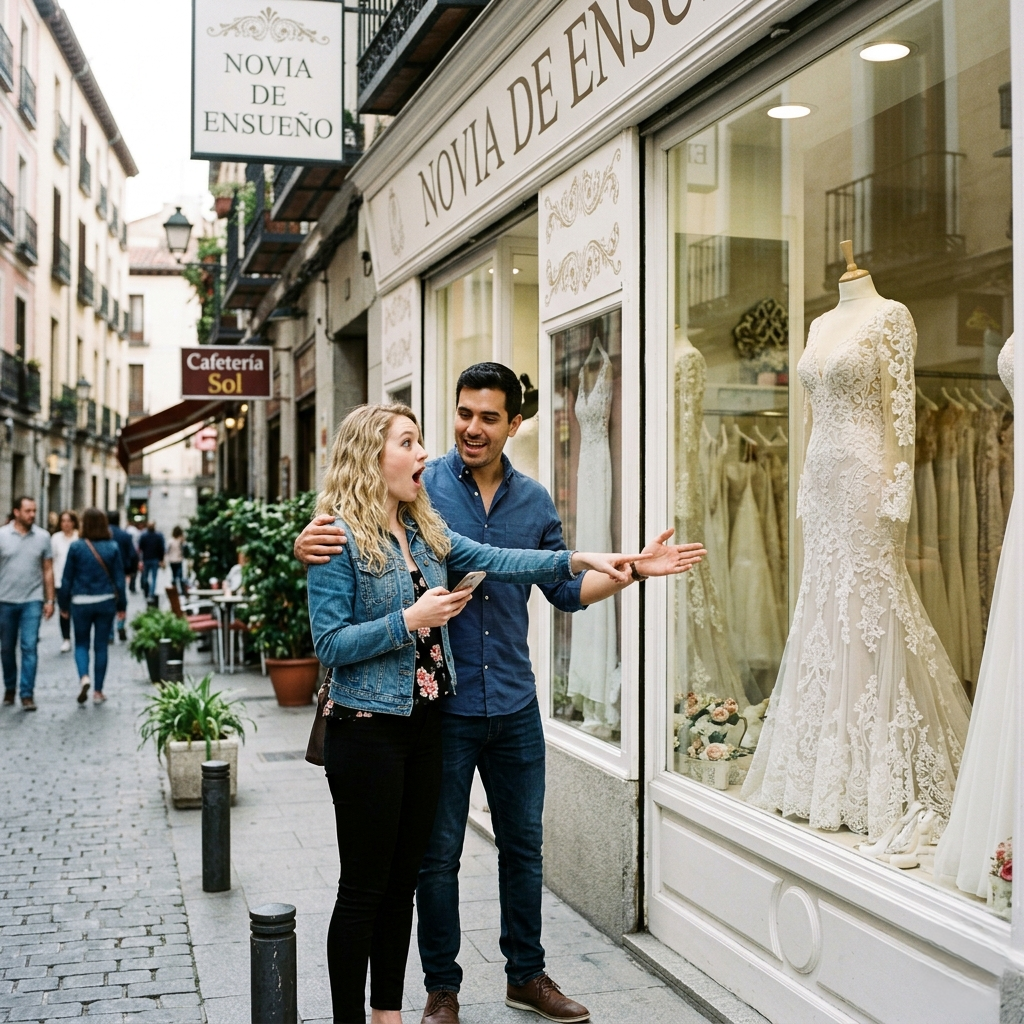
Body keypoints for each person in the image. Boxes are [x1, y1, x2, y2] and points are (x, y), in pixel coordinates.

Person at [297, 366, 706, 1024]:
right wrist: (408, 617)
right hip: (379, 726)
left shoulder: (435, 523)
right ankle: (426, 995)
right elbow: (331, 641)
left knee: (439, 871)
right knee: (386, 880)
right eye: (413, 441)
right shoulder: (351, 529)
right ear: (372, 455)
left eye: (486, 417)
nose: (434, 447)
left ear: (514, 423)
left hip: (454, 714)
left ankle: (421, 1005)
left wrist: (610, 562)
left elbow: (517, 562)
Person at [57, 508, 127, 704]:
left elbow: (67, 579)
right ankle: (98, 691)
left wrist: (63, 604)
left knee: (81, 643)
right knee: (101, 646)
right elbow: (120, 581)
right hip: (105, 601)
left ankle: (84, 677)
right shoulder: (112, 547)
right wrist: (122, 605)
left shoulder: (76, 547)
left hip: (81, 602)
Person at [0, 497, 55, 711]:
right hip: (5, 600)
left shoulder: (43, 537)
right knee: (6, 648)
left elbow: (48, 569)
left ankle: (26, 693)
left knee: (29, 646)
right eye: (27, 511)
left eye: (34, 511)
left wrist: (50, 599)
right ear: (16, 512)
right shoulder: (2, 536)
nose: (32, 515)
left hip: (32, 599)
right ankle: (10, 688)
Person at [50, 510, 79, 653]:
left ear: (74, 522)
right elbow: (52, 560)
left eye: (68, 521)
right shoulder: (55, 538)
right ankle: (66, 638)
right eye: (63, 521)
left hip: (78, 581)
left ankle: (79, 636)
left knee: (78, 611)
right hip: (61, 581)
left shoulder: (79, 537)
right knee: (64, 611)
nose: (66, 524)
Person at [107, 511, 137, 642]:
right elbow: (133, 554)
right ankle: (120, 625)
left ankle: (110, 633)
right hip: (121, 572)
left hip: (105, 573)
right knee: (122, 599)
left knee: (108, 601)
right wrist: (131, 571)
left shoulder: (103, 536)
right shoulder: (125, 536)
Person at [137, 522, 165, 598]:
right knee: (153, 578)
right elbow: (161, 548)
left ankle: (147, 591)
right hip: (154, 559)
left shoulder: (144, 536)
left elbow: (140, 547)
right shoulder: (158, 536)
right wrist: (161, 559)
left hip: (146, 558)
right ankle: (151, 593)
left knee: (145, 577)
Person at [167, 526, 186, 593]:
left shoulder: (170, 541)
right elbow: (184, 549)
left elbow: (167, 551)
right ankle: (182, 590)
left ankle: (174, 589)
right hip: (178, 559)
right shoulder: (180, 540)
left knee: (174, 575)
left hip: (172, 560)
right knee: (180, 576)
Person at [125, 517, 141, 593]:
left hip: (128, 553)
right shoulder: (136, 531)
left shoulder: (126, 531)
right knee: (134, 572)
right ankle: (132, 585)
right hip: (134, 553)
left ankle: (130, 585)